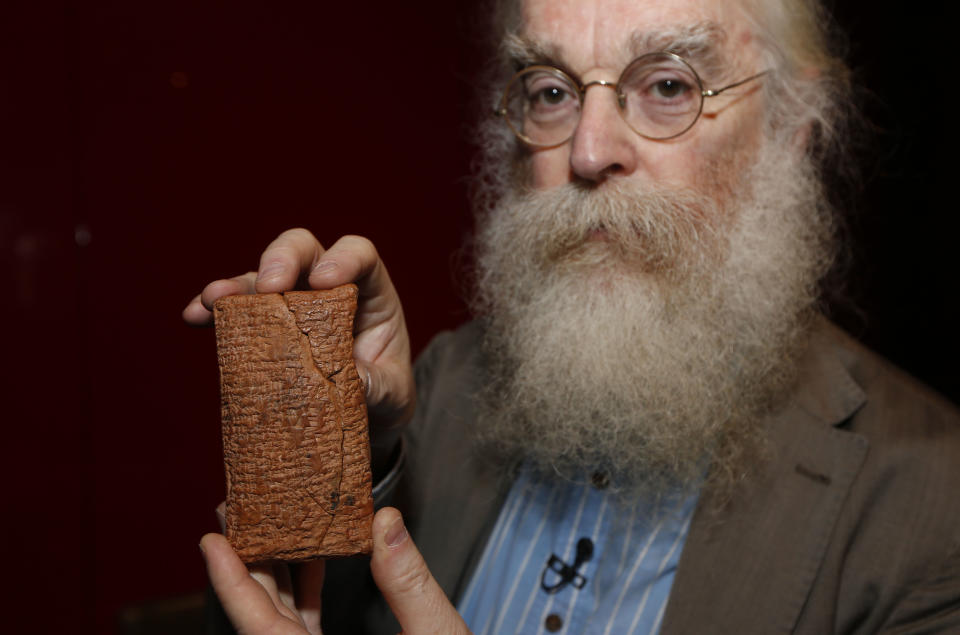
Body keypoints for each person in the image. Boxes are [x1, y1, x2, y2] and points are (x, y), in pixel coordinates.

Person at [184, 0, 960, 632]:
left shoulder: (933, 503)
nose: (587, 152)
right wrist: (341, 449)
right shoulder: (440, 387)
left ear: (793, 132)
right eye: (551, 90)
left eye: (668, 86)